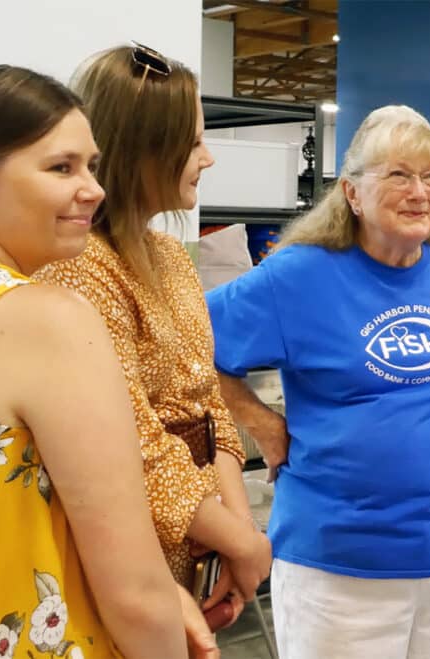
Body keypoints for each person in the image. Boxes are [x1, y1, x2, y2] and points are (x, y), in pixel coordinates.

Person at [0, 64, 216, 658]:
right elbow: (136, 591)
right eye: (61, 167)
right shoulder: (41, 317)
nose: (94, 188)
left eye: (90, 164)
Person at [206, 105, 430, 659]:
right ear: (352, 193)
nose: (419, 192)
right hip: (340, 564)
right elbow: (191, 344)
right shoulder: (299, 276)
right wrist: (262, 424)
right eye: (399, 175)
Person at [34, 43, 271, 625]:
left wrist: (235, 529)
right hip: (120, 552)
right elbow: (131, 442)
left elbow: (208, 408)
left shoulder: (169, 255)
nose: (208, 158)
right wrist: (241, 543)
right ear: (141, 149)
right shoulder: (76, 269)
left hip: (194, 536)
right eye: (192, 143)